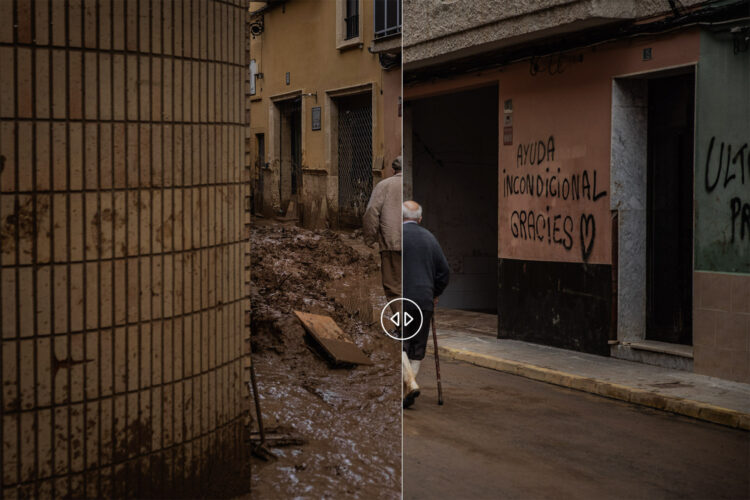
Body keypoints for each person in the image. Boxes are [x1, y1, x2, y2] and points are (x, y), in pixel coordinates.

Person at [401, 200, 450, 408]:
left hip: (402, 301)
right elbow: (444, 272)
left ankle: (409, 382)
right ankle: (407, 391)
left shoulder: (397, 236)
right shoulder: (430, 238)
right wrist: (435, 293)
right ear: (419, 219)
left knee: (400, 341)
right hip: (424, 301)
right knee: (417, 347)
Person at [363, 156, 403, 307]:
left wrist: (370, 238)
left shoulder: (384, 185)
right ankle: (416, 325)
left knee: (394, 288)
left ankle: (403, 327)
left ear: (393, 170)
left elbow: (371, 212)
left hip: (392, 242)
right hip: (418, 244)